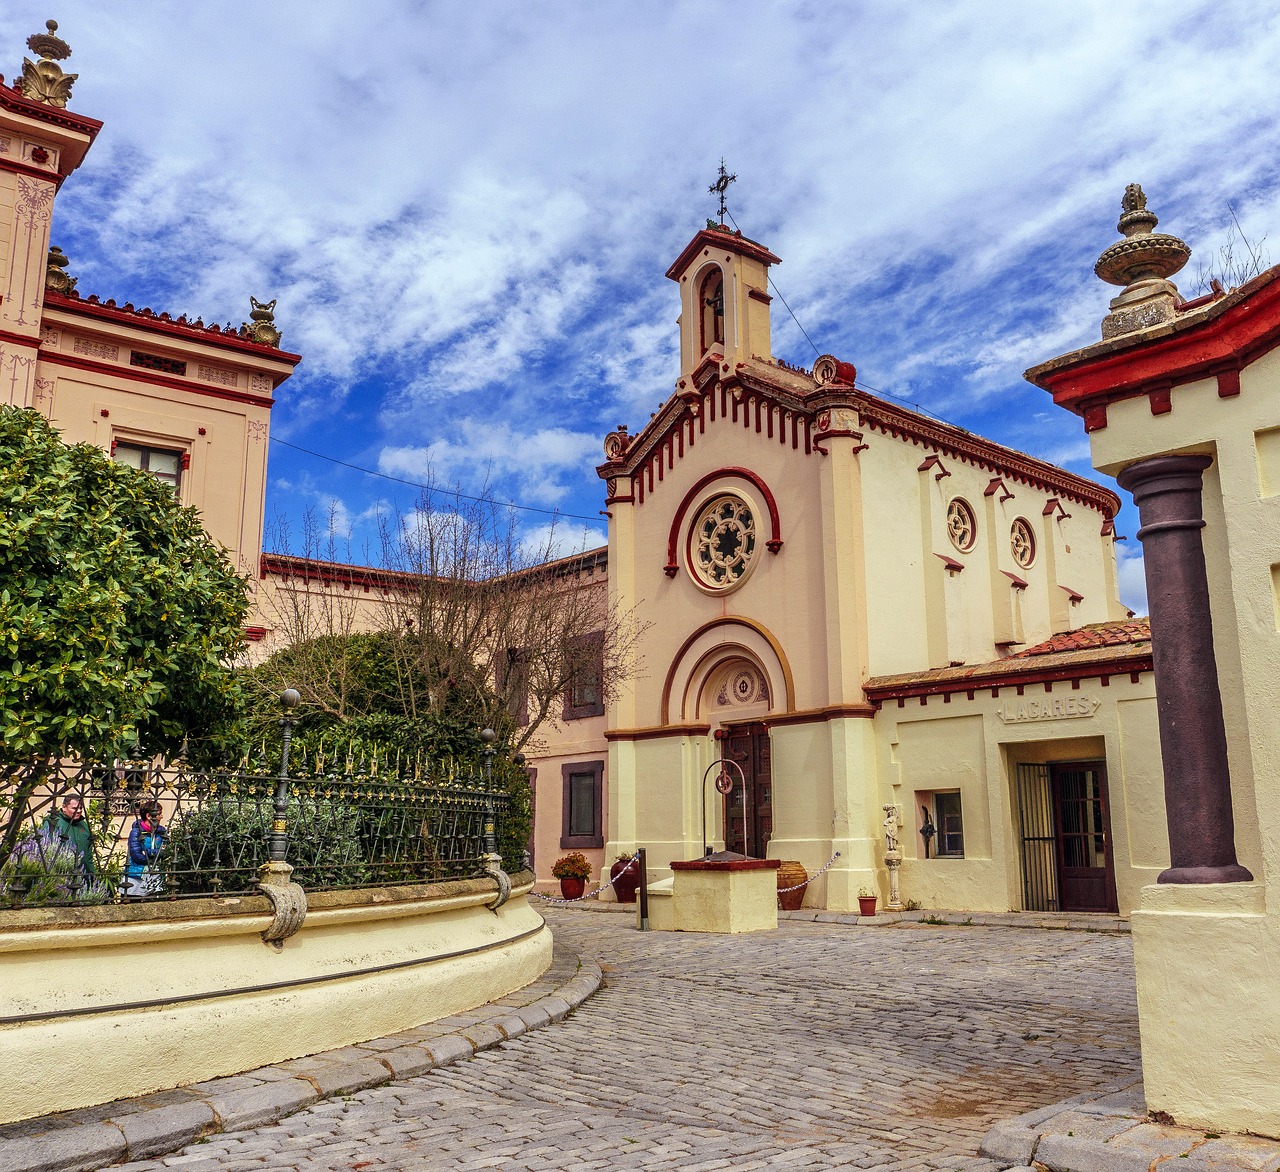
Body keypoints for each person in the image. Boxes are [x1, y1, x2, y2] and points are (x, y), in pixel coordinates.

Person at [41, 794, 96, 880]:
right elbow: (45, 850)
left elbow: (89, 853)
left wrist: (92, 874)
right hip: (61, 876)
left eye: (81, 808)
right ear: (64, 807)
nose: (79, 811)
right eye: (74, 808)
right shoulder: (53, 823)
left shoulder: (83, 825)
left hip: (82, 876)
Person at [121, 798, 167, 899]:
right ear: (148, 816)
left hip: (155, 875)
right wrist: (156, 855)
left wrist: (149, 852)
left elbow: (166, 852)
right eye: (159, 814)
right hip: (136, 877)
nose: (161, 817)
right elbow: (137, 856)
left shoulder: (162, 832)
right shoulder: (136, 832)